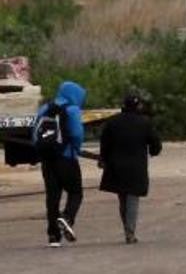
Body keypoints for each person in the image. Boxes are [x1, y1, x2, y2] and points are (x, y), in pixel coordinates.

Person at [98, 92, 162, 244]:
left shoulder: (112, 122)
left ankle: (127, 229)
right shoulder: (144, 122)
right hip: (136, 168)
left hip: (116, 166)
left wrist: (103, 160)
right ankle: (130, 232)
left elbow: (104, 143)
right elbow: (155, 143)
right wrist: (154, 152)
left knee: (123, 200)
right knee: (133, 199)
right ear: (138, 105)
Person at [31, 80, 87, 248]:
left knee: (52, 196)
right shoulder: (72, 109)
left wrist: (42, 151)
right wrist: (75, 149)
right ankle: (67, 217)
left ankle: (53, 236)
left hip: (47, 159)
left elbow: (34, 134)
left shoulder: (45, 108)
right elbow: (77, 133)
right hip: (66, 157)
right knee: (76, 192)